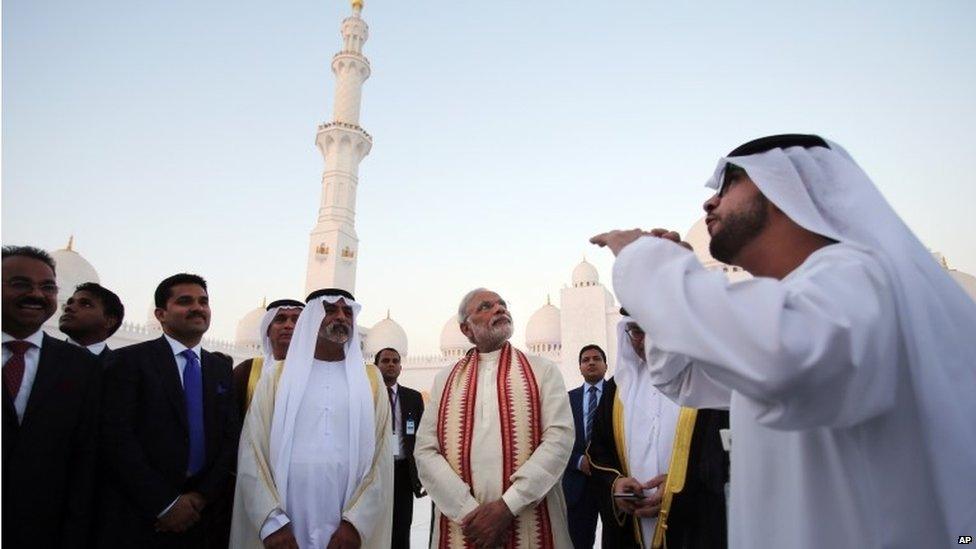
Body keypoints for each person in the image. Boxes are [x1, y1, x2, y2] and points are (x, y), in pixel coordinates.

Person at [590, 134, 976, 547]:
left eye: (730, 184)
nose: (709, 203)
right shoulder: (804, 300)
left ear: (785, 191)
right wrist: (662, 291)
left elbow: (784, 355)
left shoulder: (862, 276)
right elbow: (684, 381)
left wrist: (645, 261)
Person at [230, 288, 393, 549]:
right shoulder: (277, 377)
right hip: (285, 524)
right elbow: (252, 452)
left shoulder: (371, 381)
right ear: (311, 318)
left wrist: (355, 523)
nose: (341, 317)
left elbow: (381, 461)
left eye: (347, 311)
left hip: (346, 525)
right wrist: (271, 523)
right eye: (330, 310)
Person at [415, 288, 574, 548]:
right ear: (466, 330)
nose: (499, 309)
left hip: (531, 520)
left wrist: (507, 506)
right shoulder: (444, 380)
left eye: (502, 304)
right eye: (485, 307)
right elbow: (425, 450)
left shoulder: (543, 370)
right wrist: (469, 513)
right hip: (464, 526)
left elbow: (559, 440)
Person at [98, 273, 240, 548]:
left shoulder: (219, 369)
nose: (197, 308)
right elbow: (117, 438)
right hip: (143, 515)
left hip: (202, 516)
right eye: (185, 301)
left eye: (203, 301)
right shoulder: (129, 361)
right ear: (161, 314)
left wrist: (200, 496)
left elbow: (229, 438)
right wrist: (165, 504)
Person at [2, 245, 101, 548]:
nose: (36, 294)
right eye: (20, 284)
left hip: (44, 531)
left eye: (47, 287)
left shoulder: (81, 366)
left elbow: (86, 463)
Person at [586, 312, 680, 548]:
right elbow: (598, 451)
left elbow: (721, 451)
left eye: (653, 329)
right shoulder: (616, 390)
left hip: (690, 522)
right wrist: (616, 485)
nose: (645, 340)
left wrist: (678, 485)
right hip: (630, 528)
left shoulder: (703, 381)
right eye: (637, 331)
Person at [375, 346, 426, 549]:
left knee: (402, 526)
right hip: (375, 472)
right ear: (376, 366)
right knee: (376, 525)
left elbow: (421, 437)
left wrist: (421, 475)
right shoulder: (366, 395)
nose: (391, 365)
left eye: (395, 361)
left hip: (403, 472)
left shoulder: (412, 397)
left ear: (400, 367)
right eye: (385, 361)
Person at [562, 344, 608, 549]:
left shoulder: (620, 396)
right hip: (578, 486)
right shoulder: (566, 400)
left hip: (612, 483)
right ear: (579, 367)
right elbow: (557, 442)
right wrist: (579, 461)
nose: (591, 362)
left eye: (596, 359)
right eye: (585, 360)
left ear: (605, 365)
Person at [232, 299, 304, 417]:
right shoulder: (246, 371)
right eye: (280, 319)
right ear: (267, 330)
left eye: (296, 320)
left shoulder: (315, 373)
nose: (288, 325)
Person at [59, 282, 125, 358]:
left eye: (86, 304)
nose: (68, 307)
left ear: (109, 321)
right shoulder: (45, 355)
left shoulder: (120, 367)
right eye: (70, 302)